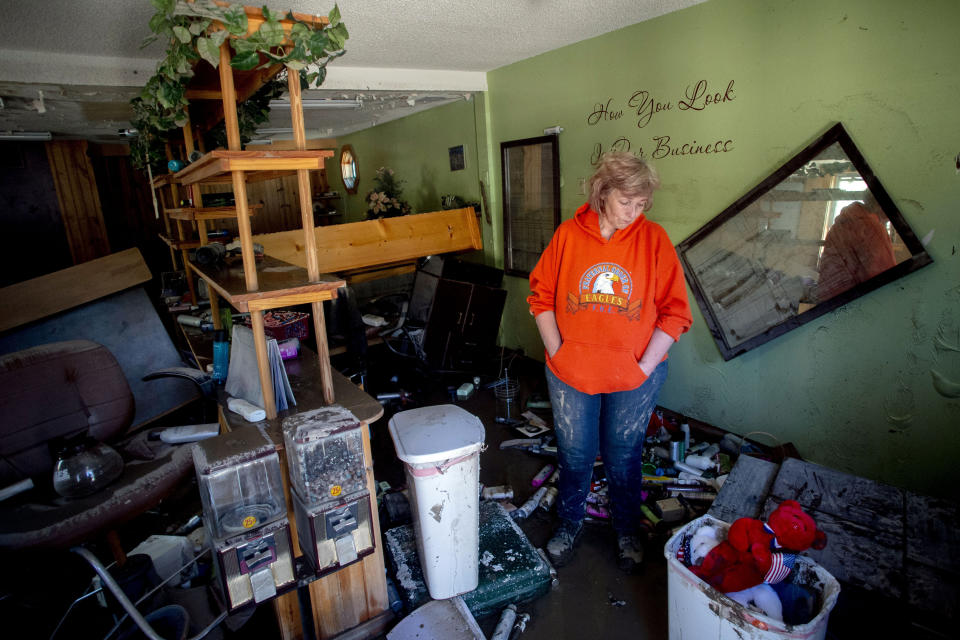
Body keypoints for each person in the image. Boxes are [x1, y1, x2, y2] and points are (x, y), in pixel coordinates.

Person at [527, 151, 692, 572]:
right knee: (576, 454)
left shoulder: (654, 240)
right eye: (625, 203)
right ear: (603, 192)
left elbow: (676, 314)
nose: (633, 214)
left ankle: (626, 529)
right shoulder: (568, 236)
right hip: (571, 372)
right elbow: (541, 297)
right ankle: (569, 521)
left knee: (624, 456)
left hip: (635, 373)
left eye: (641, 205)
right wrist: (559, 353)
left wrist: (641, 368)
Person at [815, 194, 897, 302]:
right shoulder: (872, 228)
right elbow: (886, 278)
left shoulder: (842, 222)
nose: (888, 219)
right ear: (881, 206)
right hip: (854, 302)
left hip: (828, 297)